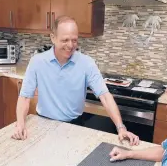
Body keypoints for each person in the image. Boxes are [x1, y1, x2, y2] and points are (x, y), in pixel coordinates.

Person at [12, 16, 139, 146]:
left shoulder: (86, 63)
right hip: (43, 123)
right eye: (65, 40)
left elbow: (105, 96)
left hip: (75, 125)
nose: (70, 45)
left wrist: (121, 128)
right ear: (53, 38)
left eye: (74, 40)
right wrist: (20, 124)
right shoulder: (37, 62)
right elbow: (25, 97)